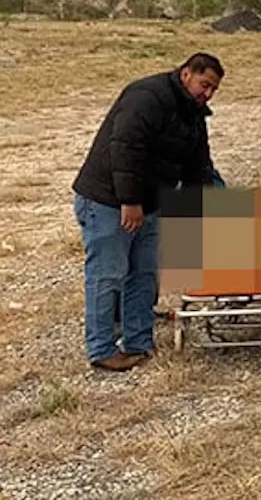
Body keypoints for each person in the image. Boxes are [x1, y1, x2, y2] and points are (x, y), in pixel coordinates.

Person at [72, 53, 224, 371]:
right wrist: (130, 201)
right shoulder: (147, 97)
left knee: (143, 274)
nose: (207, 93)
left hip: (151, 204)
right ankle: (101, 349)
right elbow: (125, 148)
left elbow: (198, 164)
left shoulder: (192, 113)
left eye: (213, 89)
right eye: (204, 84)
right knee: (107, 275)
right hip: (109, 201)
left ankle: (139, 343)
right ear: (186, 74)